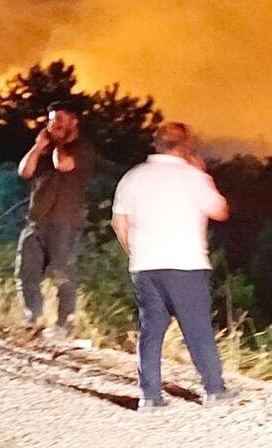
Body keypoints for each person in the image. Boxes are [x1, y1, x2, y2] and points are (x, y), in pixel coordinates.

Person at [111, 123, 237, 410]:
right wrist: (203, 173)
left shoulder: (133, 177)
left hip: (145, 265)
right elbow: (220, 210)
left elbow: (120, 223)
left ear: (157, 145)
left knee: (151, 330)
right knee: (197, 329)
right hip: (185, 264)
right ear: (185, 146)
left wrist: (136, 254)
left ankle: (150, 396)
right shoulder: (192, 177)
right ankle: (214, 390)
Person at [16, 100, 97, 338]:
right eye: (51, 119)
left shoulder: (83, 148)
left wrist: (57, 144)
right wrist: (38, 145)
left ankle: (65, 325)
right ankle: (33, 319)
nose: (54, 124)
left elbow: (63, 165)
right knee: (26, 272)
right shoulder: (44, 150)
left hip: (66, 222)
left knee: (63, 273)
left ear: (74, 121)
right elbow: (25, 171)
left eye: (60, 119)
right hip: (36, 220)